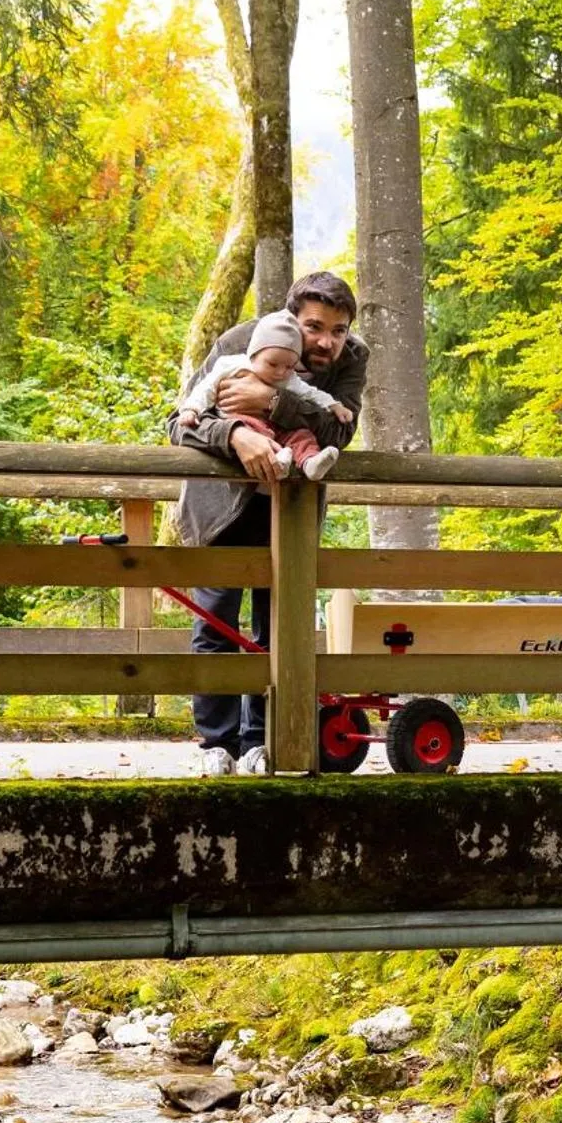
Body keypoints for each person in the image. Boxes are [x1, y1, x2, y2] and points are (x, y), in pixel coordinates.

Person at [169, 272, 368, 776]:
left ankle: (261, 740)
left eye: (338, 330)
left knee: (277, 628)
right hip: (222, 509)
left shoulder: (350, 360)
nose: (326, 341)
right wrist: (236, 433)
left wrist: (273, 401)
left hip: (290, 512)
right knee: (215, 624)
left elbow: (339, 432)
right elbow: (180, 423)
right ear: (290, 319)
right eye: (315, 327)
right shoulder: (238, 344)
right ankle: (217, 743)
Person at [176, 310, 355, 483]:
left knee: (302, 435)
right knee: (255, 433)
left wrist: (334, 405)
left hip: (275, 427)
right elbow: (206, 388)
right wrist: (192, 409)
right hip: (242, 422)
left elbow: (310, 393)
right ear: (254, 354)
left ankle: (310, 462)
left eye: (289, 366)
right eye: (272, 364)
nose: (280, 372)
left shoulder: (288, 378)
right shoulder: (232, 365)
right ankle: (279, 460)